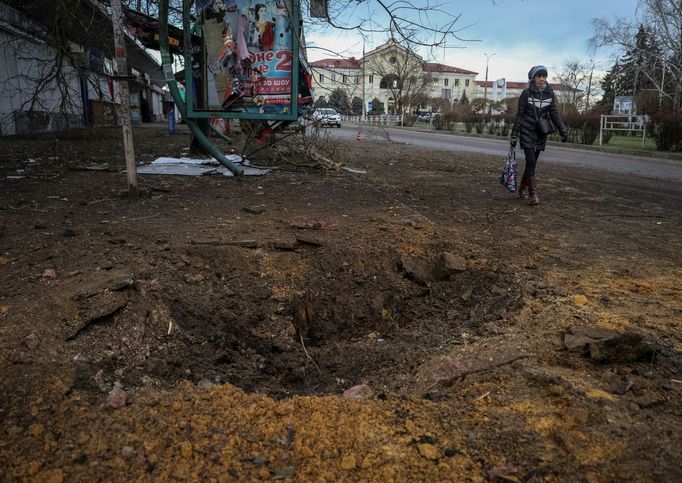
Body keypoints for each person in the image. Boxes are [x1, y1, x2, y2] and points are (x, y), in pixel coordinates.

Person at [510, 65, 568, 205]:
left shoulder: (550, 93)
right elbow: (520, 115)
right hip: (526, 130)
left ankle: (523, 187)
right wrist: (514, 135)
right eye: (539, 76)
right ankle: (532, 193)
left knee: (532, 164)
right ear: (533, 78)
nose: (542, 79)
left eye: (544, 76)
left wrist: (563, 130)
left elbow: (554, 113)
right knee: (530, 161)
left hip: (541, 132)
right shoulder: (526, 93)